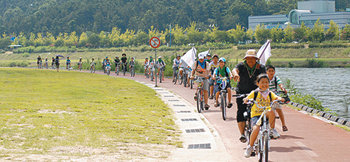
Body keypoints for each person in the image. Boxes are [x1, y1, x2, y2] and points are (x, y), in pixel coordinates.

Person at [243, 74, 284, 158]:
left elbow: (276, 97)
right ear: (258, 83)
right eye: (262, 82)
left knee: (271, 111)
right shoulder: (255, 93)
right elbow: (247, 98)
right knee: (256, 129)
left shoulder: (270, 93)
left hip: (266, 114)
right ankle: (250, 147)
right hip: (256, 115)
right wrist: (246, 99)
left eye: (266, 82)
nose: (264, 84)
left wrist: (280, 99)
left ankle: (272, 130)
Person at [232, 49, 266, 143]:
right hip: (242, 92)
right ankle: (242, 134)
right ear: (245, 59)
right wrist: (235, 74)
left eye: (252, 58)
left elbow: (264, 78)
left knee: (258, 112)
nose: (250, 60)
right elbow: (235, 70)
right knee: (241, 113)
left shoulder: (260, 67)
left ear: (256, 59)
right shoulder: (241, 66)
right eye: (248, 58)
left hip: (256, 93)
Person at [266, 65, 288, 132]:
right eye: (269, 71)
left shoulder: (276, 78)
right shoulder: (264, 78)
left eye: (272, 71)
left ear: (274, 72)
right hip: (266, 97)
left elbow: (280, 84)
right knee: (270, 112)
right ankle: (271, 128)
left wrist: (282, 88)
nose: (271, 72)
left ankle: (283, 125)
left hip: (275, 97)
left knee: (279, 110)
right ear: (266, 72)